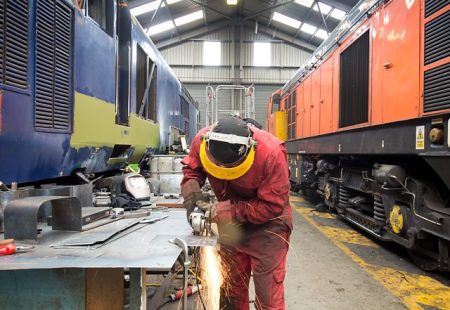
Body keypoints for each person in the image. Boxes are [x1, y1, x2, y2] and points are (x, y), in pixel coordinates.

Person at [180, 116, 292, 310]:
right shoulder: (201, 140)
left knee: (268, 298)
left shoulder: (271, 153)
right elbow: (192, 172)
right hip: (231, 226)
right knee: (231, 292)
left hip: (268, 227)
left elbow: (272, 205)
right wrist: (193, 200)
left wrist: (228, 210)